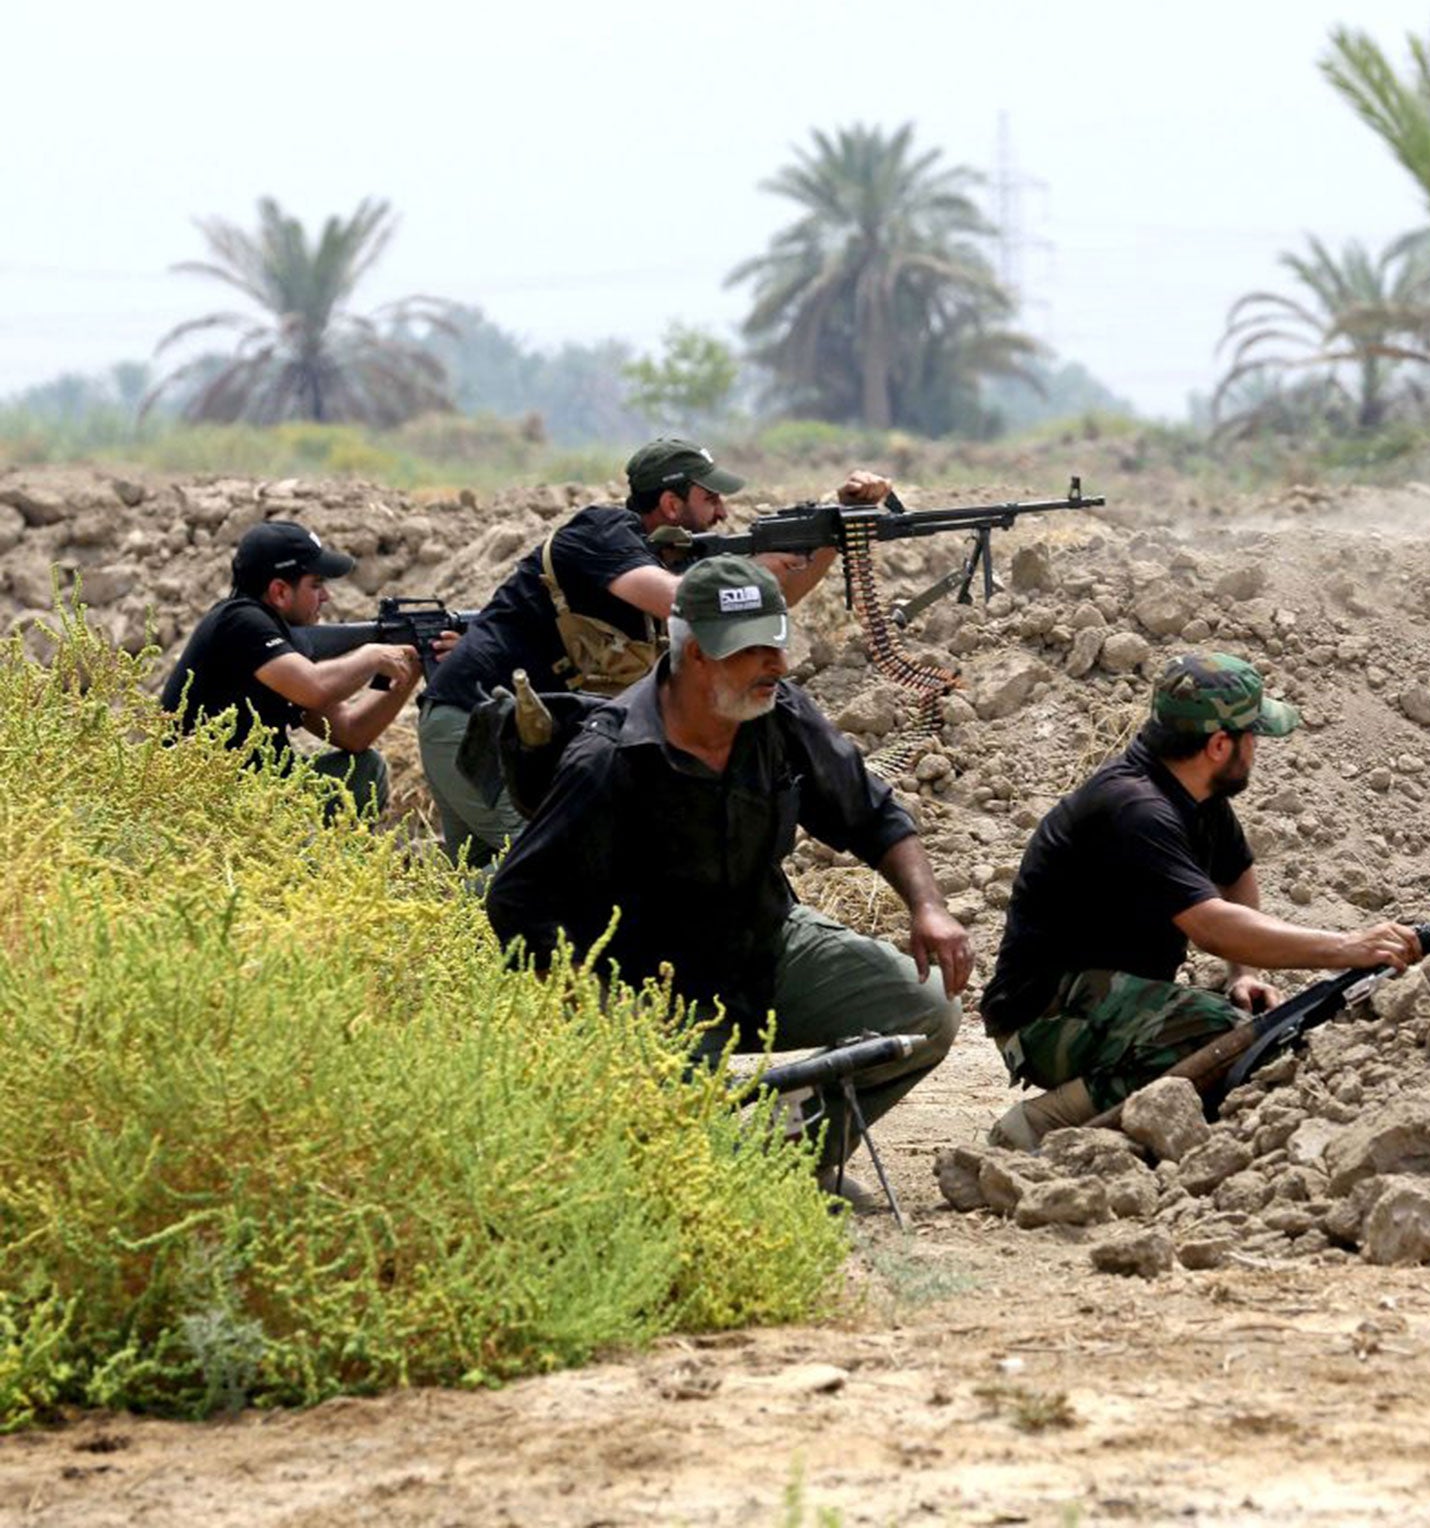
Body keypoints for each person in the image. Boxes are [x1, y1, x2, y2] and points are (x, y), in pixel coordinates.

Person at [484, 556, 970, 1191]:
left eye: (777, 643)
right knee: (663, 1156)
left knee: (928, 1011)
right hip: (656, 996)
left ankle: (787, 1161)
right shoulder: (608, 759)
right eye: (751, 651)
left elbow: (871, 814)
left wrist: (928, 907)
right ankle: (722, 1169)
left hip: (764, 949)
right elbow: (517, 900)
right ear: (696, 657)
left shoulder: (779, 714)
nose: (778, 664)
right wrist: (592, 1012)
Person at [978, 652, 1424, 1149]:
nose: (1257, 747)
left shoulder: (1195, 795)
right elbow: (1211, 925)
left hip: (1100, 1000)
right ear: (1218, 745)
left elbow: (1236, 877)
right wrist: (1347, 946)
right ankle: (1041, 1126)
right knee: (1224, 1038)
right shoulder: (1136, 809)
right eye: (1252, 735)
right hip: (1044, 1017)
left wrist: (1245, 974)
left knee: (1244, 1035)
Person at [418, 436, 881, 865]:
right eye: (710, 498)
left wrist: (830, 533)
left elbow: (766, 599)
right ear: (671, 504)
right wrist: (752, 569)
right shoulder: (602, 531)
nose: (722, 512)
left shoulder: (679, 559)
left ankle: (412, 926)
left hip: (513, 733)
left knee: (482, 881)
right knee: (558, 868)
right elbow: (681, 601)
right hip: (469, 720)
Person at [161, 520, 424, 818]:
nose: (326, 597)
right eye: (316, 585)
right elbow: (315, 688)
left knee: (363, 770)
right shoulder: (240, 620)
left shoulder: (281, 640)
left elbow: (351, 732)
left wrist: (411, 665)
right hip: (208, 804)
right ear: (280, 592)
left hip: (260, 792)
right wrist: (371, 656)